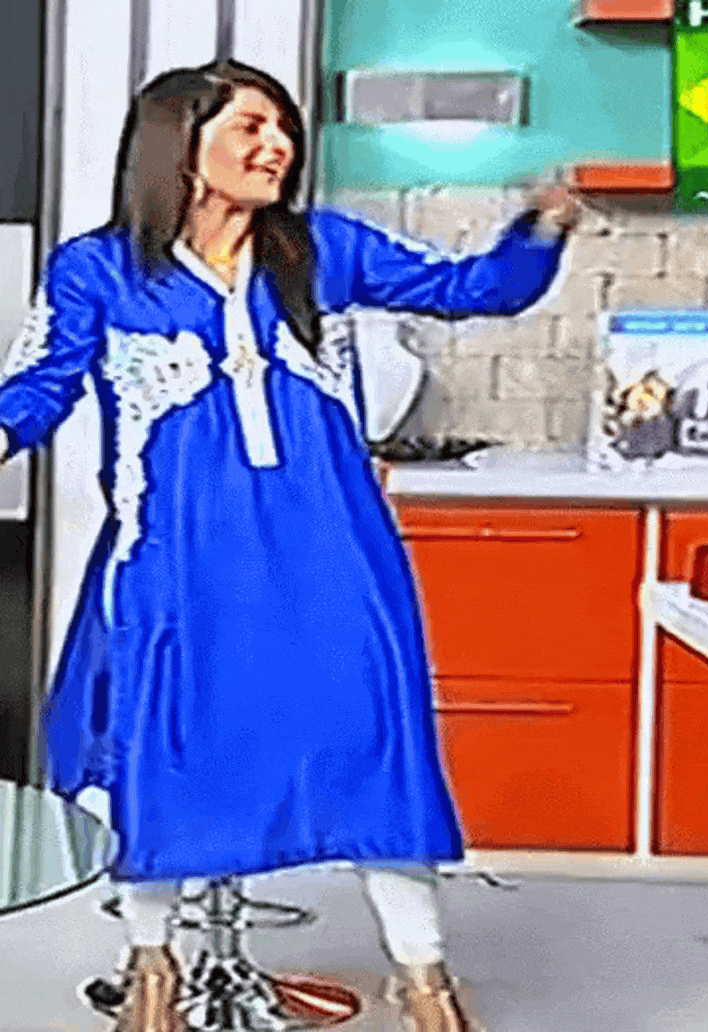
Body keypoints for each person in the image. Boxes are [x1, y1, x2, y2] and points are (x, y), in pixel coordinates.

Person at [0, 59, 579, 1032]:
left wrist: (540, 228)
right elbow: (37, 388)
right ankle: (153, 970)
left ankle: (425, 981)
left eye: (283, 129)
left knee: (375, 748)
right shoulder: (98, 269)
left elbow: (472, 288)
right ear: (179, 144)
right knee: (163, 754)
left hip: (333, 558)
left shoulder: (322, 250)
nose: (277, 146)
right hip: (175, 563)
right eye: (251, 127)